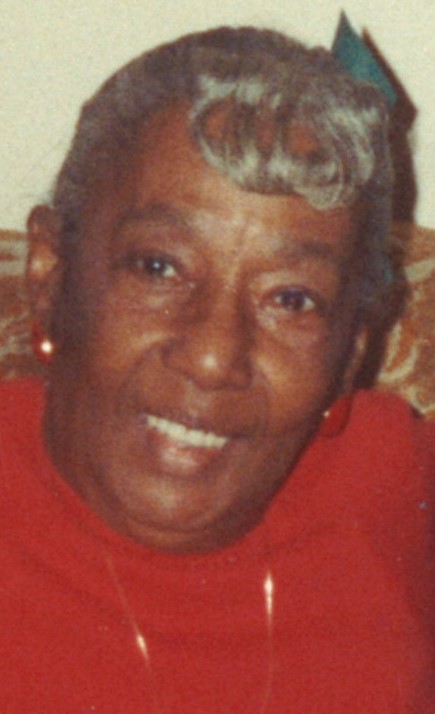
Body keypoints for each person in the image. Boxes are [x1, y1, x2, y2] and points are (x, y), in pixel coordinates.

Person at [1, 25, 435, 713]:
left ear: (351, 350)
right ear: (49, 274)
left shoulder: (392, 475)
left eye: (292, 300)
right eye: (159, 267)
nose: (212, 357)